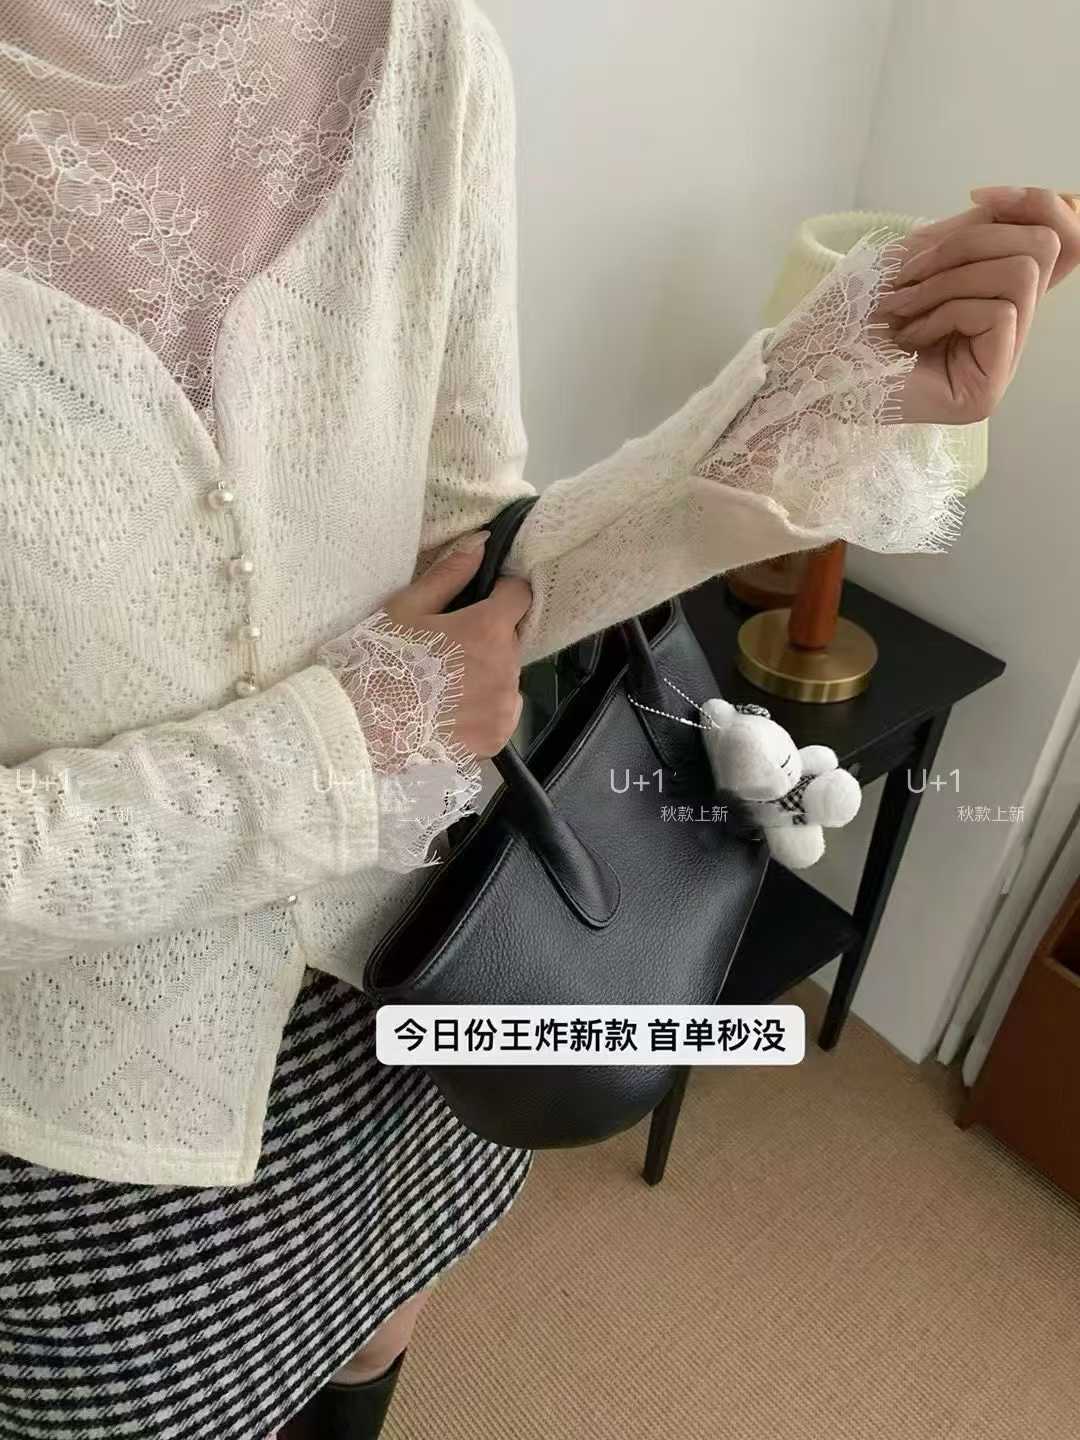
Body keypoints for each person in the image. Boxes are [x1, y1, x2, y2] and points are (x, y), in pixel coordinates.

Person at [0, 2, 1075, 1437]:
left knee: (381, 1322)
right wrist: (342, 743)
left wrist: (799, 402)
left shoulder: (424, 48)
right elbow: (390, 708)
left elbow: (483, 570)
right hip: (72, 1114)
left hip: (428, 959)